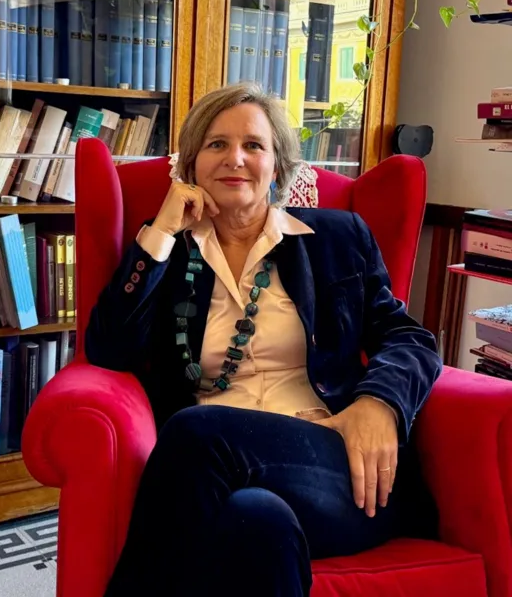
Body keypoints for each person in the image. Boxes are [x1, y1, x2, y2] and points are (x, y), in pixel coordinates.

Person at [84, 84, 443, 597]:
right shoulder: (166, 251)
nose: (235, 158)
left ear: (277, 166)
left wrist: (379, 402)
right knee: (256, 521)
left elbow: (409, 337)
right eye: (216, 144)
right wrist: (161, 230)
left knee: (196, 431)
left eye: (253, 145)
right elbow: (108, 348)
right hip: (216, 478)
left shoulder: (338, 238)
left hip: (336, 466)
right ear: (191, 163)